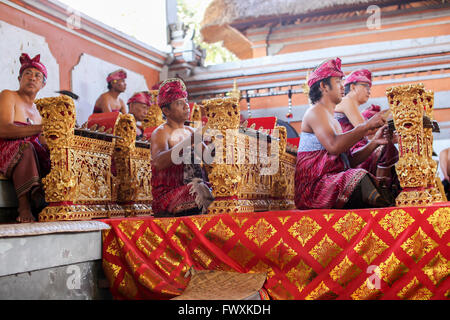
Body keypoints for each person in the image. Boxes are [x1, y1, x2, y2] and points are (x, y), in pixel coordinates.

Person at [295, 58, 395, 210]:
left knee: (372, 177)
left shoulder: (332, 119)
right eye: (337, 82)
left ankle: (389, 201)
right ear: (323, 86)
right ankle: (388, 205)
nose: (343, 86)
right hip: (314, 189)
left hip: (331, 181)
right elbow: (334, 146)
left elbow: (349, 161)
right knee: (360, 178)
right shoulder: (315, 112)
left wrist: (375, 142)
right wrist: (366, 126)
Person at [150, 78, 214, 217]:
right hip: (168, 195)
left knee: (217, 191)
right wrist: (187, 142)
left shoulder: (191, 131)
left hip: (195, 188)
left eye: (186, 101)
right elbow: (158, 163)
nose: (186, 106)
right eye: (180, 103)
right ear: (166, 110)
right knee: (201, 190)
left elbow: (209, 160)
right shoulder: (161, 132)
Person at [0, 53, 51, 223]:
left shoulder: (41, 111)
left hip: (29, 152)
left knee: (53, 154)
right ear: (19, 78)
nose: (32, 78)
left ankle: (49, 202)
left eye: (38, 75)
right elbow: (3, 129)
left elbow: (43, 140)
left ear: (43, 84)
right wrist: (40, 128)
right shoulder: (9, 95)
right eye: (27, 73)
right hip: (6, 148)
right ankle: (24, 206)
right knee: (26, 147)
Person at [335, 69, 399, 188]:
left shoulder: (351, 104)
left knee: (387, 145)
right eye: (366, 87)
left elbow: (367, 129)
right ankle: (381, 190)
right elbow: (365, 130)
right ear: (353, 87)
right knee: (385, 148)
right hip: (348, 153)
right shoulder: (347, 101)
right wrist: (394, 118)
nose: (369, 92)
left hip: (352, 150)